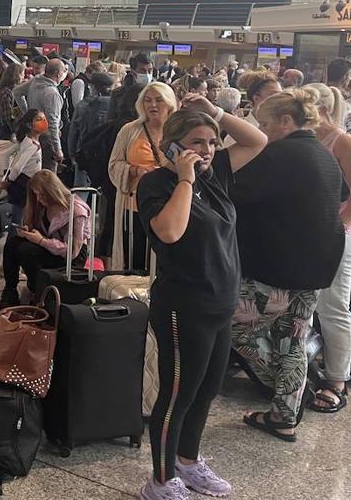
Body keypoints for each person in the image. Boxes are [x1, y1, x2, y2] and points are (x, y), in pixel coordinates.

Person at [135, 96, 267, 500]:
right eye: (197, 142)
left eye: (211, 142)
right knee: (180, 394)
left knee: (208, 390)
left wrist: (216, 111)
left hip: (220, 302)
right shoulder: (157, 183)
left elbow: (257, 140)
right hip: (183, 306)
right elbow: (170, 232)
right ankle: (159, 479)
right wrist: (185, 178)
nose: (207, 150)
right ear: (174, 146)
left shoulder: (216, 174)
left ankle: (187, 462)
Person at [229, 91, 344, 441]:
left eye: (264, 124)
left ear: (285, 122)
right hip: (316, 269)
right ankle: (284, 416)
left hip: (275, 269)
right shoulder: (324, 156)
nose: (260, 131)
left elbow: (234, 192)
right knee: (293, 339)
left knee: (231, 326)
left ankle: (285, 388)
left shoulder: (279, 154)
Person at [297, 84, 351, 415]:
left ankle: (338, 380)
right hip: (303, 234)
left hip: (337, 234)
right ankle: (299, 372)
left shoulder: (342, 141)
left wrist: (337, 229)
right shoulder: (300, 138)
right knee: (302, 304)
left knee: (333, 305)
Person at [108, 81, 177, 270]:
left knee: (162, 260)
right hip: (133, 206)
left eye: (158, 100)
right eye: (148, 100)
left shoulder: (179, 132)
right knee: (134, 257)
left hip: (167, 206)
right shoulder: (129, 130)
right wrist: (134, 170)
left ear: (170, 103)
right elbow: (114, 165)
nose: (153, 105)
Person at [0, 170, 90, 309]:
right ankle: (10, 291)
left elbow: (72, 251)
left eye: (40, 195)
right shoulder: (41, 206)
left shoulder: (76, 210)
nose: (38, 199)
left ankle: (38, 292)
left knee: (26, 250)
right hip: (50, 247)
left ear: (51, 191)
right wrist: (29, 234)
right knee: (12, 242)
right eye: (36, 195)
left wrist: (41, 241)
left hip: (72, 256)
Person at [0, 110, 48, 246]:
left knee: (18, 218)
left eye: (44, 119)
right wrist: (9, 181)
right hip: (25, 185)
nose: (44, 122)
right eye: (39, 119)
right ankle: (13, 250)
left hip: (23, 183)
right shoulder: (33, 145)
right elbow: (18, 167)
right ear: (30, 125)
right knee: (19, 221)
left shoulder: (27, 140)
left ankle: (13, 249)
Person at [67, 73, 115, 185]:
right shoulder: (116, 105)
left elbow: (74, 132)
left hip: (85, 152)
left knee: (81, 189)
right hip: (108, 155)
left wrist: (72, 154)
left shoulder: (83, 105)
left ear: (92, 86)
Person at [17, 60, 68, 164]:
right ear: (58, 74)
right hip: (47, 137)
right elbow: (53, 123)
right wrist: (58, 149)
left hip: (32, 134)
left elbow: (16, 91)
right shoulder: (52, 94)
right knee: (47, 174)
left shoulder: (35, 80)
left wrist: (28, 112)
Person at [0, 63, 24, 141]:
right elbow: (7, 117)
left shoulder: (7, 91)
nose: (23, 77)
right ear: (16, 76)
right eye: (22, 74)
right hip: (5, 134)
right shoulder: (8, 92)